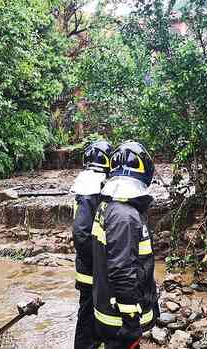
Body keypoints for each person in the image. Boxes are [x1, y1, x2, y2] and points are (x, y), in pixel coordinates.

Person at [91, 141, 159, 349]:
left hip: (108, 309)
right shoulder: (125, 216)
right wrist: (131, 320)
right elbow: (121, 271)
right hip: (119, 319)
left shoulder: (108, 207)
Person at [71, 140, 113, 349]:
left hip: (88, 268)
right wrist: (98, 261)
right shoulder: (90, 188)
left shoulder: (86, 184)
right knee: (88, 319)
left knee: (91, 316)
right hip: (90, 271)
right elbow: (81, 233)